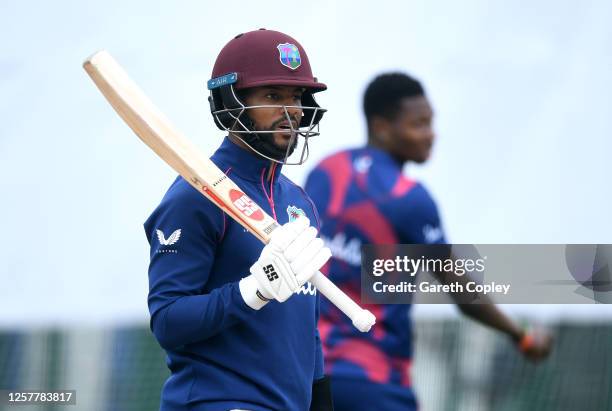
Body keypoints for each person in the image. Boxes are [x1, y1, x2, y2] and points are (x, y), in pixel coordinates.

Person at [304, 72, 552, 411]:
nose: (431, 135)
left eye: (431, 123)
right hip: (374, 380)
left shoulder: (326, 170)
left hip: (309, 375)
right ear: (381, 127)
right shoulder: (408, 197)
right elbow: (462, 292)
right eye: (419, 124)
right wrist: (520, 334)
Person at [144, 29, 335, 411]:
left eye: (296, 96)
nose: (291, 110)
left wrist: (321, 401)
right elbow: (168, 321)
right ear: (231, 103)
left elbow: (305, 325)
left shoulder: (300, 203)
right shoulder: (194, 197)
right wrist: (254, 291)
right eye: (272, 96)